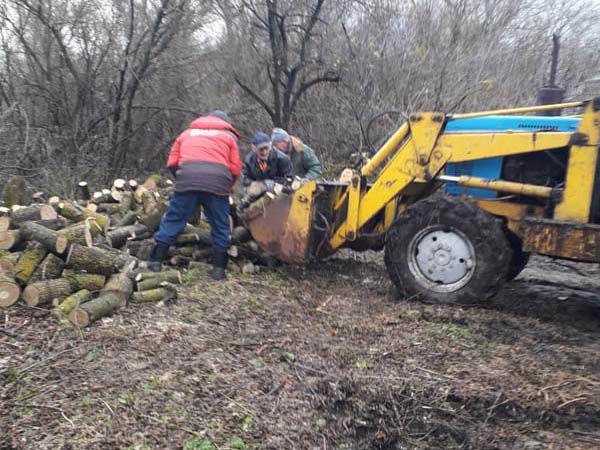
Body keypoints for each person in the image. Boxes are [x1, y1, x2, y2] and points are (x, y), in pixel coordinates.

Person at [147, 111, 242, 280]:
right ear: (225, 123)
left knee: (174, 219)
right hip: (218, 182)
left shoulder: (186, 134)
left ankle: (155, 261)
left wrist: (182, 179)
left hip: (187, 179)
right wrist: (228, 186)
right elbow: (235, 169)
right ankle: (218, 270)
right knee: (220, 225)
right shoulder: (229, 138)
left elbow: (172, 163)